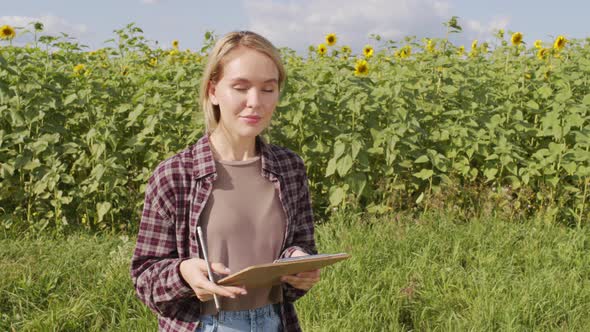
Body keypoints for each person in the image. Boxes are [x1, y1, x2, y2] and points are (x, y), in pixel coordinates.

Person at [131, 30, 319, 332]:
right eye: (240, 87)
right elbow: (144, 278)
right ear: (213, 91)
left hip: (275, 322)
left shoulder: (289, 168)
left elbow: (302, 245)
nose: (255, 102)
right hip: (205, 324)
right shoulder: (175, 176)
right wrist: (182, 274)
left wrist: (299, 262)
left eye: (268, 89)